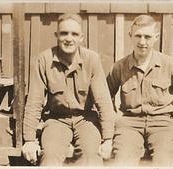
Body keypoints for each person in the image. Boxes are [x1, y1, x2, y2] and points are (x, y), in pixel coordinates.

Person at [22, 13, 115, 166]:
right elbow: (34, 101)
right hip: (56, 120)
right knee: (50, 156)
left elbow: (103, 101)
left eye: (74, 34)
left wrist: (108, 139)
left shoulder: (92, 59)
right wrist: (29, 140)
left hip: (86, 120)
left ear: (81, 38)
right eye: (64, 33)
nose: (69, 38)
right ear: (56, 35)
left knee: (91, 156)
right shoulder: (43, 60)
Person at [107, 15, 173, 166]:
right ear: (130, 36)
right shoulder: (119, 67)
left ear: (156, 37)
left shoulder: (169, 65)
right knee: (122, 161)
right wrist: (114, 120)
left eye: (147, 36)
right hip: (129, 125)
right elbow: (106, 98)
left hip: (163, 124)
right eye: (138, 36)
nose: (142, 42)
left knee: (164, 161)